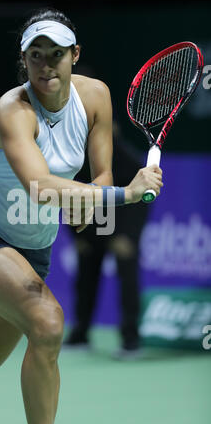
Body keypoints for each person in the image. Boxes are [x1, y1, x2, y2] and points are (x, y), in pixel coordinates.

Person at [0, 8, 163, 424]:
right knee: (48, 324)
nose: (46, 65)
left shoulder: (96, 96)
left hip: (32, 253)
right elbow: (41, 187)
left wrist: (92, 206)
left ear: (75, 55)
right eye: (36, 55)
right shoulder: (13, 110)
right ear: (23, 60)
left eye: (56, 54)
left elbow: (98, 173)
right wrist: (126, 194)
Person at [64, 121, 150, 359]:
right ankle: (80, 335)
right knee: (85, 279)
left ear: (115, 130)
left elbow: (140, 200)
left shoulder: (130, 160)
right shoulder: (80, 160)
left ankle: (130, 341)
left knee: (128, 276)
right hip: (91, 228)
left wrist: (127, 237)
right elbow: (70, 194)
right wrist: (76, 234)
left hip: (122, 228)